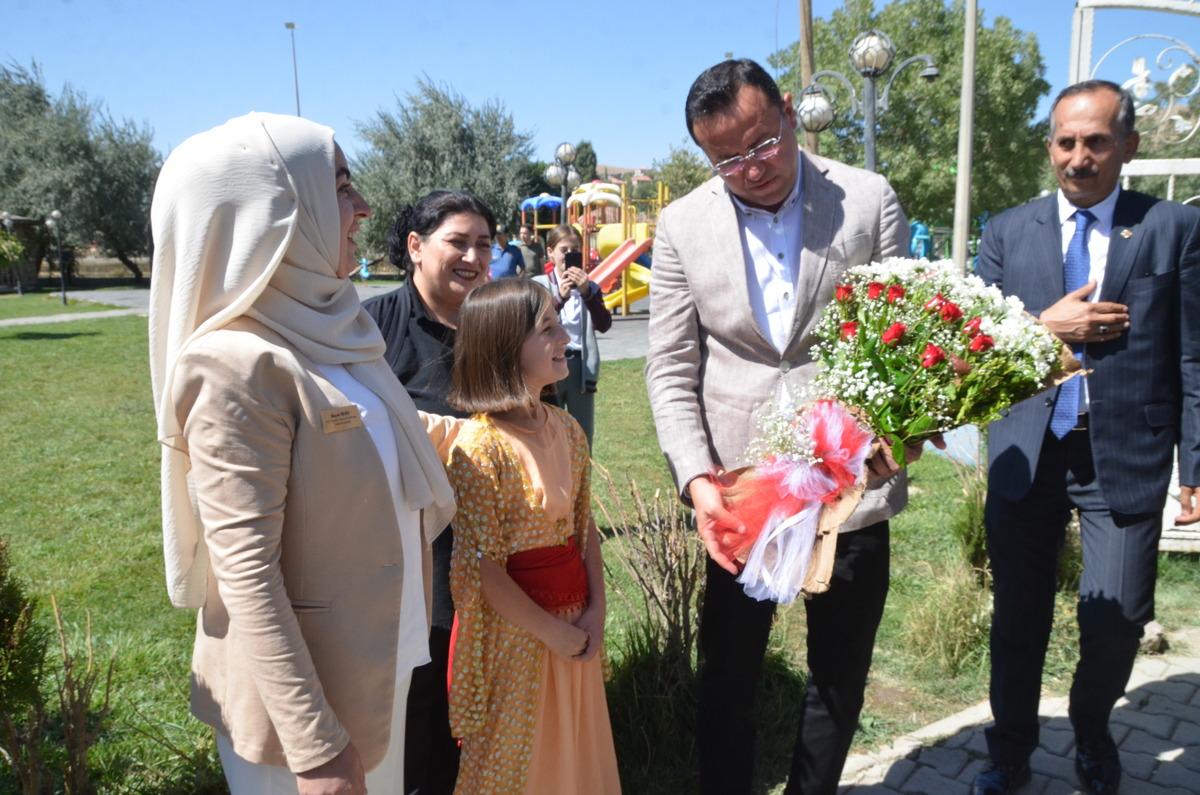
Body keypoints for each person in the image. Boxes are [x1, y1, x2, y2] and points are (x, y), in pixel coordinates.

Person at [148, 113, 457, 794]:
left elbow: (375, 457)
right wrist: (315, 748)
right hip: (306, 712)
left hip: (380, 665)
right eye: (340, 184)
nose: (362, 207)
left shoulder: (334, 330)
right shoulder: (232, 364)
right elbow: (247, 573)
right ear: (277, 211)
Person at [645, 59, 930, 794]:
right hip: (741, 496)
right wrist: (698, 480)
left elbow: (902, 338)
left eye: (763, 143)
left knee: (838, 679)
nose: (752, 167)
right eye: (728, 158)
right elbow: (671, 368)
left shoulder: (867, 201)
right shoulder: (681, 225)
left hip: (852, 482)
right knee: (728, 681)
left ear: (791, 113)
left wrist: (899, 430)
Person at [971, 80, 1200, 795]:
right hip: (1026, 453)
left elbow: (1192, 354)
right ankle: (1009, 750)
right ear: (1050, 148)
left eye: (1096, 141)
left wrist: (1196, 464)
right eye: (1066, 142)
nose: (1079, 157)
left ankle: (1092, 729)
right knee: (1018, 618)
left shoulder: (1171, 228)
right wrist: (1046, 327)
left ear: (1128, 146)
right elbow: (974, 350)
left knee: (1118, 618)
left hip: (1123, 454)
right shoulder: (1007, 232)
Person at [444, 278, 621, 794]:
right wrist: (552, 631)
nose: (565, 337)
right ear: (504, 348)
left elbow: (584, 525)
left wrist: (596, 611)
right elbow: (482, 566)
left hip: (575, 626)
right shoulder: (480, 446)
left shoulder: (567, 429)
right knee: (522, 759)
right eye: (547, 329)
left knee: (576, 755)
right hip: (520, 639)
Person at [361, 190, 495, 794]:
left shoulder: (494, 325)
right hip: (412, 545)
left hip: (492, 539)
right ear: (415, 248)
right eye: (458, 242)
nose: (473, 256)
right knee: (425, 683)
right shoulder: (370, 328)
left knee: (485, 681)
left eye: (484, 244)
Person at [533, 224, 612, 448]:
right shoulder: (540, 285)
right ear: (550, 252)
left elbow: (604, 325)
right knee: (549, 430)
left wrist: (588, 294)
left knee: (582, 434)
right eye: (564, 250)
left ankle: (581, 480)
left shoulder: (590, 288)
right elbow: (534, 325)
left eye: (575, 250)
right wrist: (559, 298)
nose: (569, 256)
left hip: (579, 367)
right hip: (549, 365)